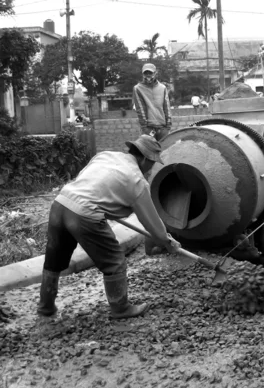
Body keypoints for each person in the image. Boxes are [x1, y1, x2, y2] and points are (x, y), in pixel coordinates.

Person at [37, 135, 181, 320]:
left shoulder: (104, 156)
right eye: (152, 164)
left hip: (61, 204)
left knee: (54, 259)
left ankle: (45, 307)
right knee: (115, 261)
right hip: (85, 214)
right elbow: (153, 224)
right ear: (145, 159)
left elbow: (87, 183)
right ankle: (121, 308)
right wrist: (168, 242)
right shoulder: (136, 180)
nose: (151, 169)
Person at [133, 63, 172, 141]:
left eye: (150, 73)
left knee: (165, 150)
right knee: (150, 151)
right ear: (143, 74)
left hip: (163, 127)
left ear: (155, 73)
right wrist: (145, 127)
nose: (148, 75)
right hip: (149, 128)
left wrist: (168, 124)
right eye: (145, 73)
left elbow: (166, 106)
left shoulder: (162, 88)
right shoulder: (138, 88)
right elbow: (140, 108)